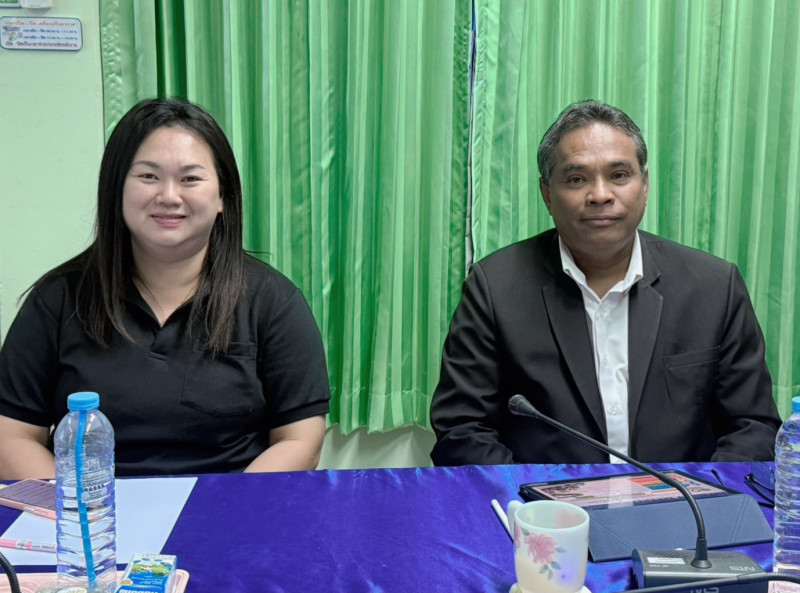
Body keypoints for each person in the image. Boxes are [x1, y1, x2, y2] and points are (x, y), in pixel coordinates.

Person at [430, 99, 781, 466]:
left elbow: (753, 427)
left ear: (645, 185)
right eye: (576, 179)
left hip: (684, 499)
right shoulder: (495, 289)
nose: (600, 195)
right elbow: (461, 429)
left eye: (619, 175)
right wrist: (536, 499)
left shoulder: (714, 287)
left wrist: (704, 495)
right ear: (547, 194)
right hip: (542, 499)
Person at [0, 98, 331, 478]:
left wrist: (227, 506)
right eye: (148, 176)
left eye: (190, 179)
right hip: (96, 507)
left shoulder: (273, 300)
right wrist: (81, 505)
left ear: (222, 197)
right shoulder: (58, 298)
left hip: (231, 502)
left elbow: (300, 440)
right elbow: (12, 436)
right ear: (116, 190)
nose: (169, 196)